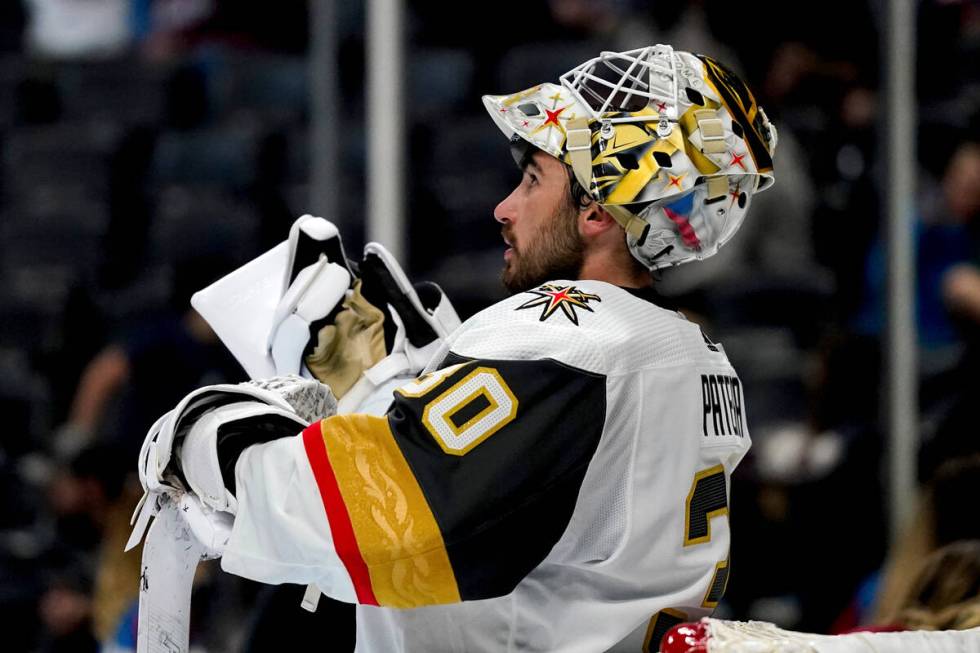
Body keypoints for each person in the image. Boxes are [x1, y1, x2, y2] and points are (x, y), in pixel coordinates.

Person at [135, 44, 777, 652]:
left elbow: (399, 529)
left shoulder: (570, 341)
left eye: (532, 180)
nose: (504, 207)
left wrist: (221, 445)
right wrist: (394, 404)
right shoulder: (693, 355)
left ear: (597, 211)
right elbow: (530, 509)